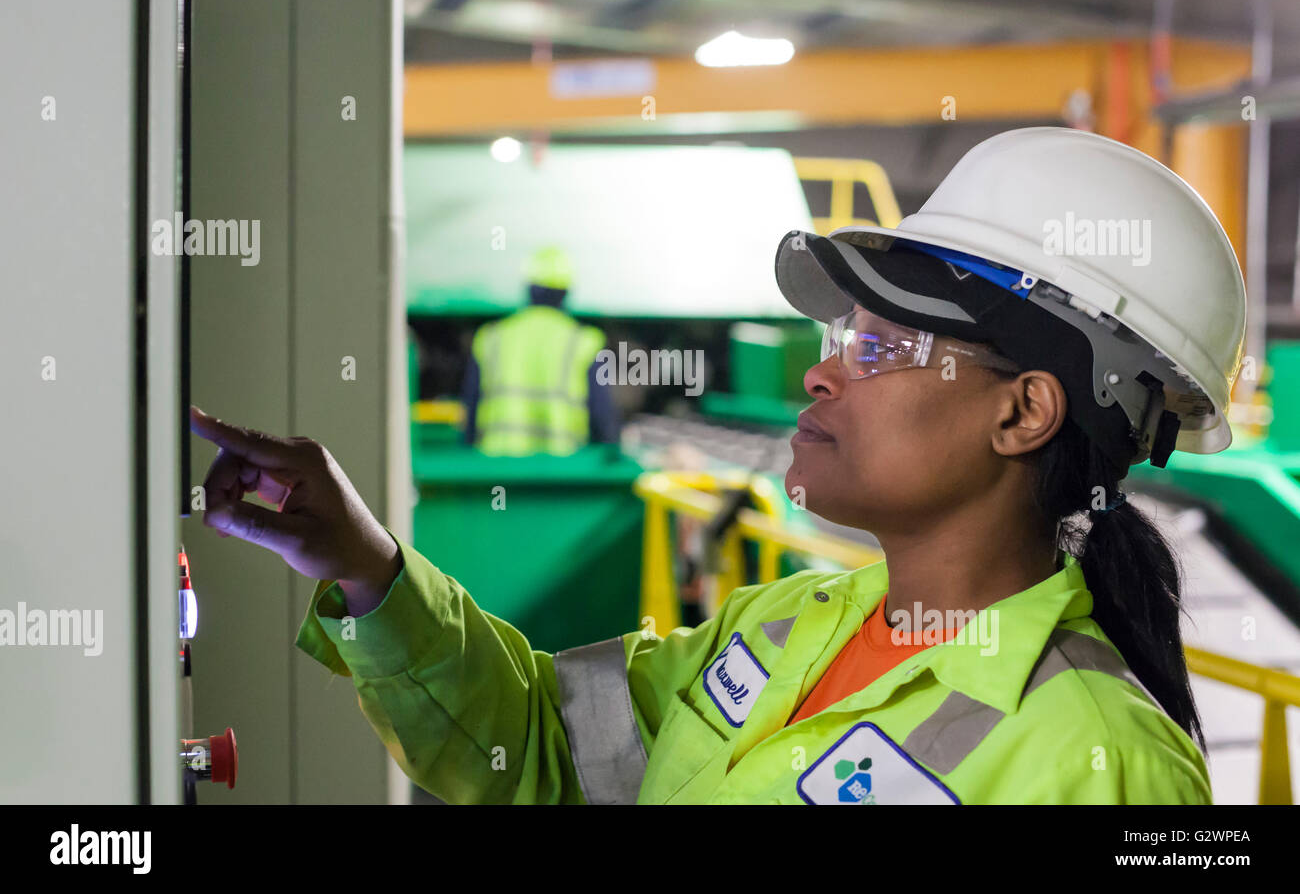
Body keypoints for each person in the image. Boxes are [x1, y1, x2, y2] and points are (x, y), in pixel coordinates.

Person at [190, 127, 1245, 803]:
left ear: (1024, 412)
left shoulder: (1103, 762)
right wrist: (370, 567)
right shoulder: (777, 624)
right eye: (838, 340)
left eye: (876, 347)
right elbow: (538, 751)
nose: (821, 377)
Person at [461, 245, 620, 455]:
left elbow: (469, 414)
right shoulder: (585, 341)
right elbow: (602, 418)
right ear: (566, 292)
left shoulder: (491, 338)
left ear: (529, 288)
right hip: (562, 471)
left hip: (498, 468)